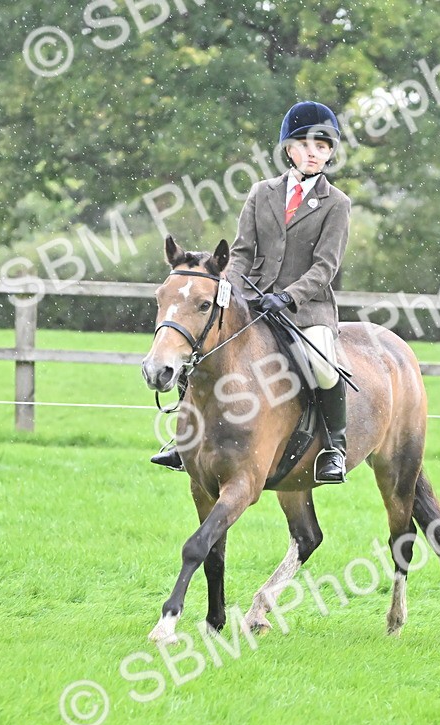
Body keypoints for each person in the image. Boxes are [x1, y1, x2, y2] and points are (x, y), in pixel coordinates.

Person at [152, 100, 352, 483]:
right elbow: (241, 253)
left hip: (306, 309)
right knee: (198, 348)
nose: (314, 152)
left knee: (325, 366)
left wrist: (288, 296)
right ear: (289, 150)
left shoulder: (337, 204)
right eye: (306, 144)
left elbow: (325, 267)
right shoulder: (262, 192)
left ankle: (334, 448)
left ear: (329, 155)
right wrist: (236, 291)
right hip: (255, 302)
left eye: (323, 147)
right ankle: (185, 442)